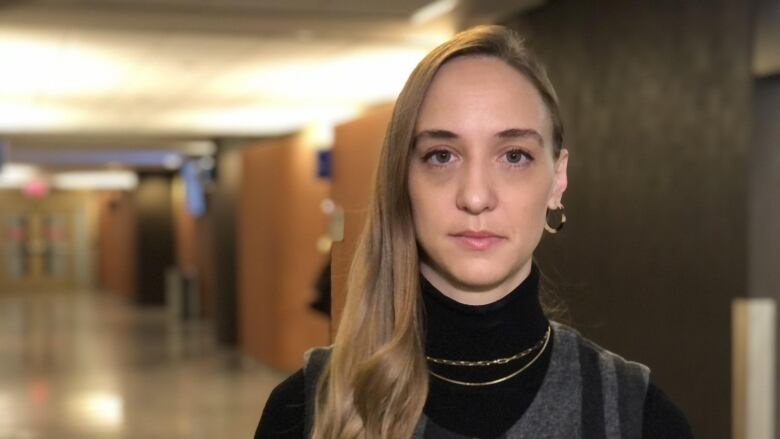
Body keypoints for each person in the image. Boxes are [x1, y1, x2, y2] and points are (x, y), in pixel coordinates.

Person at [255, 25, 693, 439]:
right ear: (402, 180)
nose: (477, 196)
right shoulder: (306, 412)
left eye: (515, 156)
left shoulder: (638, 416)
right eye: (442, 156)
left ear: (557, 179)